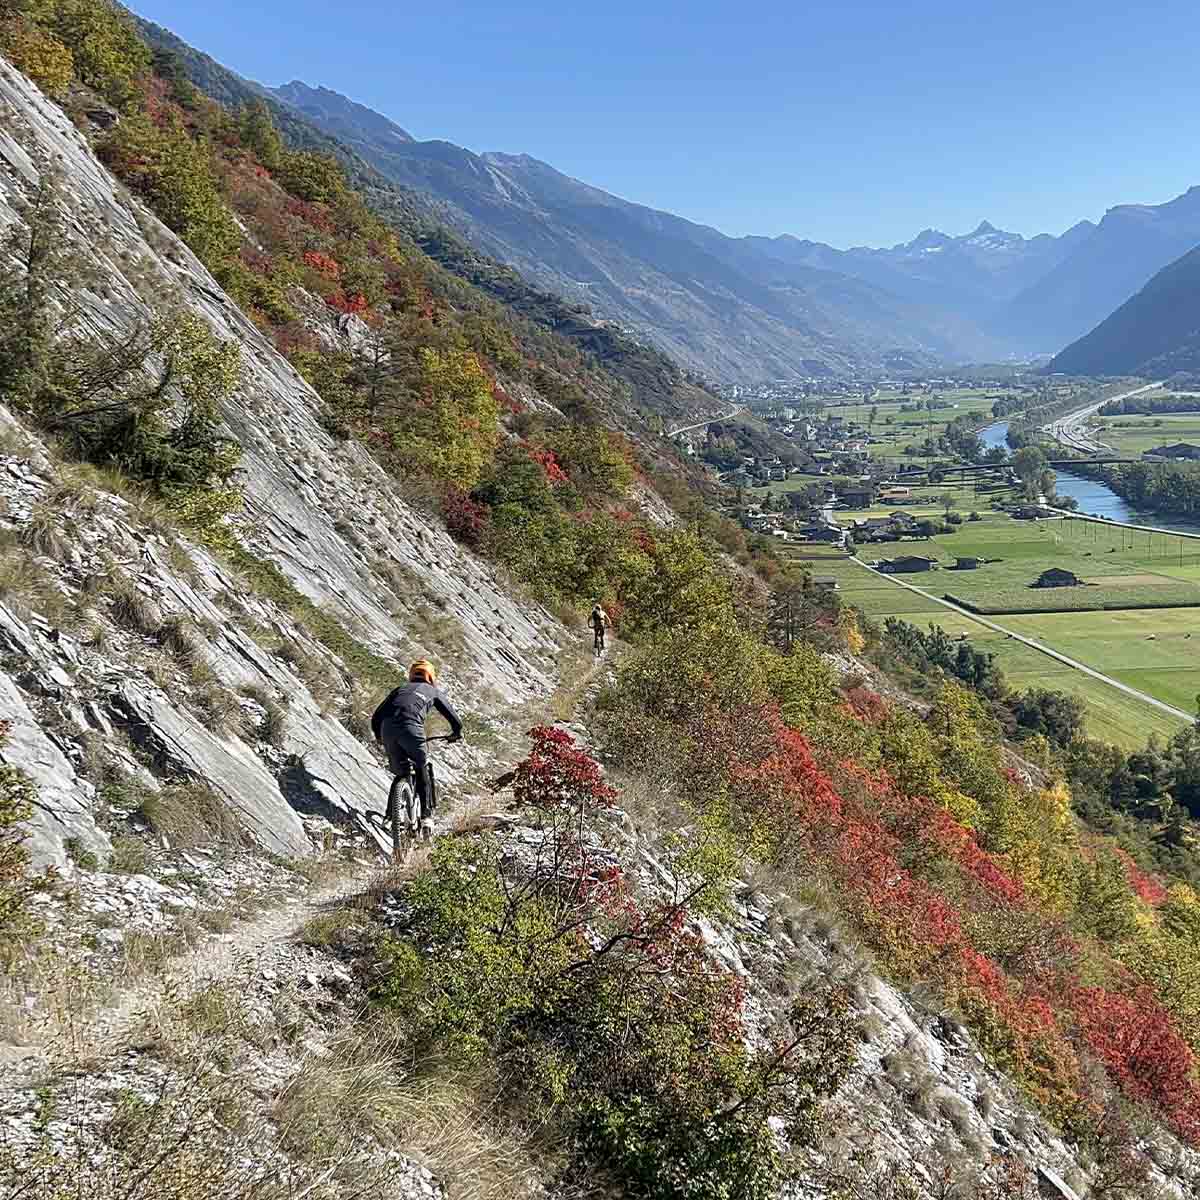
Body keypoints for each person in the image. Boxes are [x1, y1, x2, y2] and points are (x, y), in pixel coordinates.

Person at [371, 660, 463, 838]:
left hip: (387, 728)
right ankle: (427, 817)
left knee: (401, 773)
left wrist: (379, 737)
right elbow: (454, 719)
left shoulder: (400, 689)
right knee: (423, 766)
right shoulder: (432, 691)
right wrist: (456, 733)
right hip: (412, 728)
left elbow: (376, 716)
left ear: (412, 675)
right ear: (431, 677)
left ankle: (390, 817)